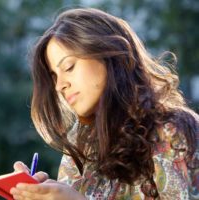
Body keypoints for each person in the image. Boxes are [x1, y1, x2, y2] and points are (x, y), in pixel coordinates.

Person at [10, 7, 199, 200]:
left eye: (69, 67)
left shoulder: (172, 131)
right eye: (54, 77)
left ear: (109, 54)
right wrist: (39, 193)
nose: (59, 86)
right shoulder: (79, 143)